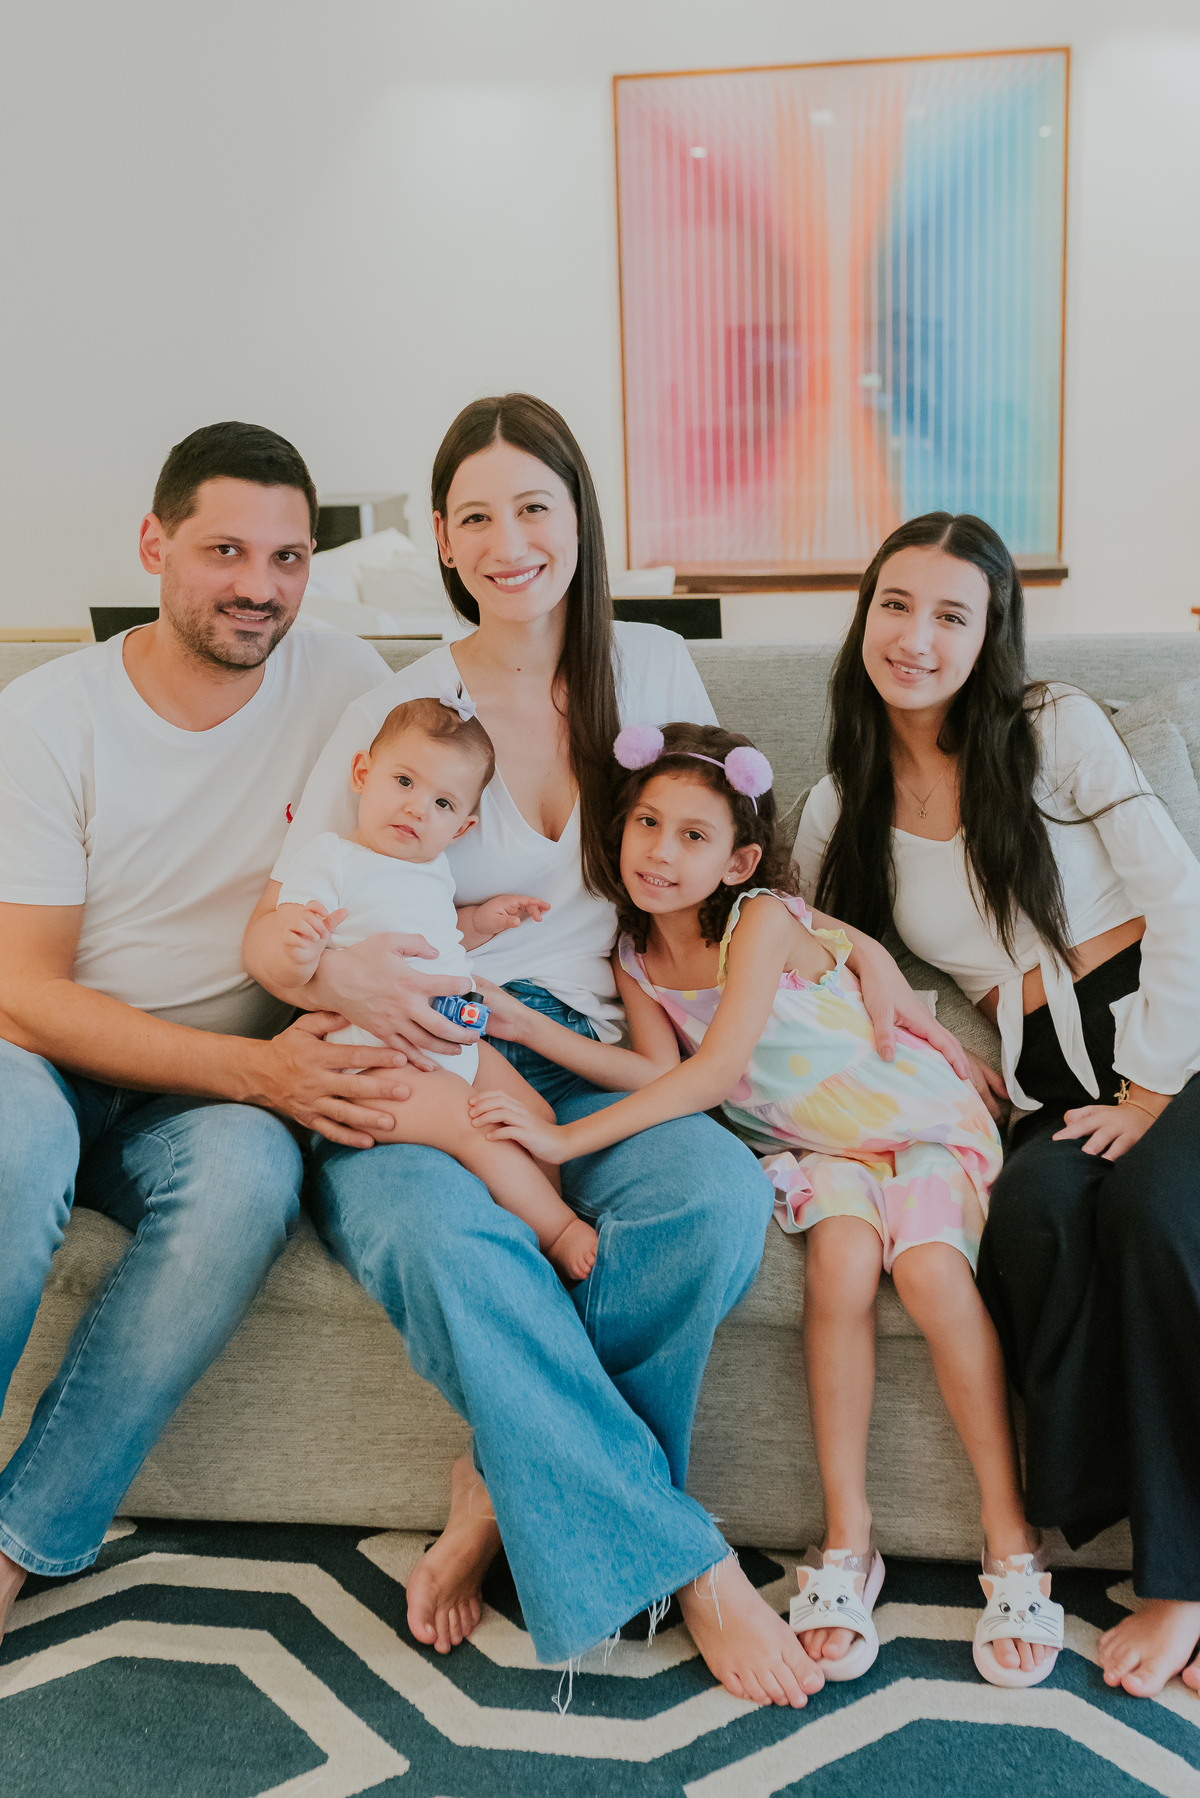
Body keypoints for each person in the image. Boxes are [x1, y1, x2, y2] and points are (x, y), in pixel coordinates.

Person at [243, 393, 968, 1706]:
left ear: (581, 519)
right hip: (429, 1030)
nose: (509, 538)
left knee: (712, 1198)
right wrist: (330, 968)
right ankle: (689, 1560)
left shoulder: (654, 667)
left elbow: (737, 867)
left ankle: (495, 1476)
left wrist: (854, 944)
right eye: (476, 516)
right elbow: (293, 912)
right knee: (441, 1240)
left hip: (593, 1032)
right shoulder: (399, 698)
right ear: (446, 542)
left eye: (536, 505)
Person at [467, 720, 1061, 1688]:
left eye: (694, 836)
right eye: (646, 823)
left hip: (908, 1120)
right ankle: (847, 1539)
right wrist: (530, 1023)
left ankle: (1011, 1539)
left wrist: (564, 1139)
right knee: (840, 1271)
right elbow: (648, 1066)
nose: (661, 851)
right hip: (807, 1145)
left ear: (740, 858)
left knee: (929, 1272)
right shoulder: (633, 952)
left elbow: (713, 1074)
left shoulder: (763, 921)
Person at [0, 421, 417, 1647]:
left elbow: (487, 748)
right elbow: (22, 990)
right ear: (154, 544)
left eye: (289, 557)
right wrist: (257, 1068)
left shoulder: (348, 685)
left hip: (201, 1110)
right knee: (13, 1148)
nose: (259, 585)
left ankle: (20, 1537)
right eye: (226, 548)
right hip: (44, 1055)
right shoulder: (46, 718)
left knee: (250, 1175)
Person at [796, 510, 1200, 1699]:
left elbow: (1183, 902)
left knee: (1154, 1220)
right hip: (1048, 1087)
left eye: (951, 614)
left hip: (1173, 1049)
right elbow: (815, 956)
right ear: (864, 613)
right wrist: (912, 1018)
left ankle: (1182, 1584)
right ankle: (1090, 1523)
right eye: (895, 605)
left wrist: (1145, 1093)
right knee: (1025, 1228)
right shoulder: (841, 802)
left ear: (990, 633)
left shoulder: (1052, 728)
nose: (916, 636)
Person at [264, 692, 598, 1280]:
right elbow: (293, 943)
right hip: (373, 1061)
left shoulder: (432, 870)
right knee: (472, 1121)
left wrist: (483, 919)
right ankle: (557, 1230)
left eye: (441, 802)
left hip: (454, 1045)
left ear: (462, 826)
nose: (417, 808)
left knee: (536, 1113)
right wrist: (299, 939)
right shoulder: (334, 859)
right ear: (363, 774)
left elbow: (443, 940)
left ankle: (525, 1224)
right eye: (403, 781)